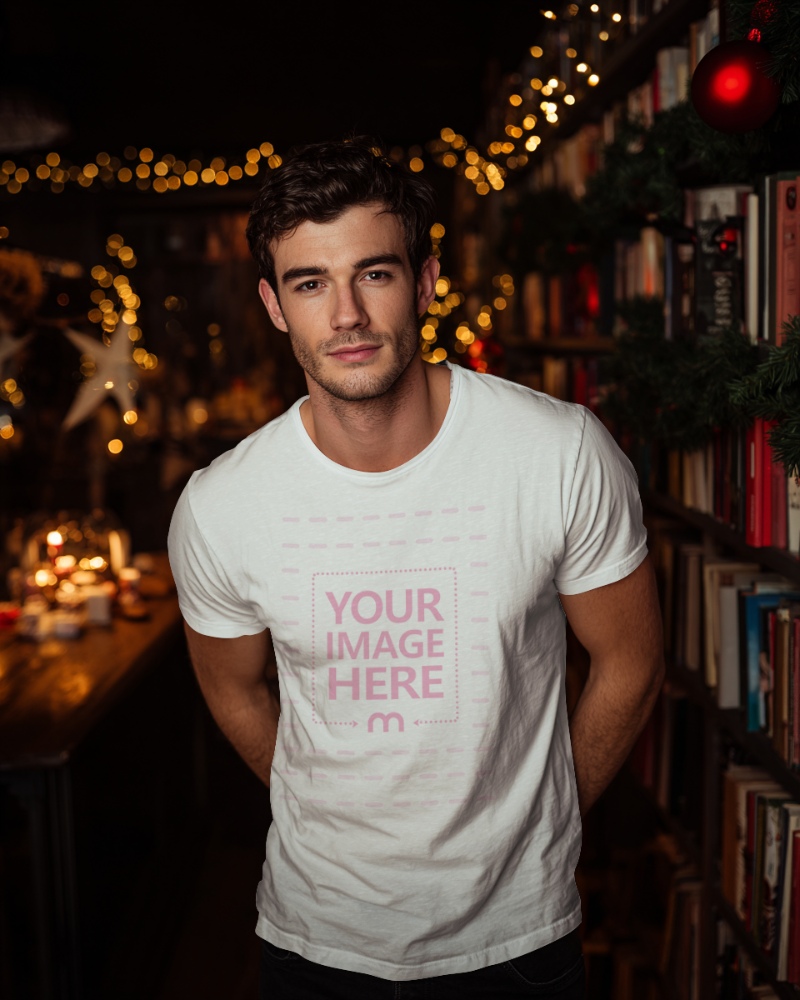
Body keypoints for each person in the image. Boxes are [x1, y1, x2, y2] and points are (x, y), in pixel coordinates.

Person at [167, 136, 665, 999]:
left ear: (427, 280)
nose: (347, 316)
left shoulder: (557, 452)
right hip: (318, 937)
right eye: (310, 283)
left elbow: (631, 661)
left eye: (375, 273)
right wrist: (329, 809)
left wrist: (541, 822)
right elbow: (234, 690)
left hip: (518, 938)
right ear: (275, 305)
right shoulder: (222, 505)